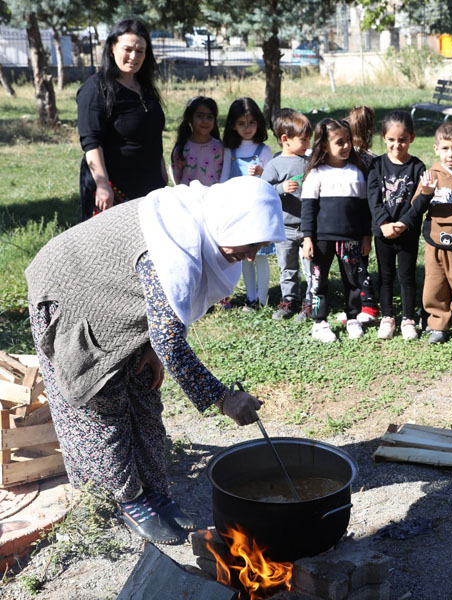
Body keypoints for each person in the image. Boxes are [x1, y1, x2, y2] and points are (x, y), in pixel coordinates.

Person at [25, 177, 285, 544]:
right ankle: (129, 499)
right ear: (230, 223)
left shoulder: (201, 228)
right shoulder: (171, 241)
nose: (251, 256)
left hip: (116, 294)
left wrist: (151, 346)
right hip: (70, 292)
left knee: (145, 393)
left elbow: (169, 318)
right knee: (106, 407)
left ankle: (154, 490)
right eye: (251, 244)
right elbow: (170, 338)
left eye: (260, 246)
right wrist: (223, 399)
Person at [401, 122, 452, 344]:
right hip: (435, 243)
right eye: (445, 148)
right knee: (434, 286)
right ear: (436, 149)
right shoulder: (430, 175)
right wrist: (426, 193)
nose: (451, 154)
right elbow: (416, 209)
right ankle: (437, 323)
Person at [76, 18, 166, 222]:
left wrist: (161, 173)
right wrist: (102, 184)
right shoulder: (95, 89)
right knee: (111, 249)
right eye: (127, 49)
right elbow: (91, 143)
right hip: (113, 190)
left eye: (140, 51)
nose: (134, 56)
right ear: (112, 47)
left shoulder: (145, 88)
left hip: (148, 187)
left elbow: (152, 133)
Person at [301, 118, 371, 342]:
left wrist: (366, 236)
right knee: (319, 281)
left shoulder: (357, 173)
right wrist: (307, 238)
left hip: (350, 239)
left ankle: (352, 317)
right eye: (339, 142)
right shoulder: (316, 174)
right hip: (321, 240)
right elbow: (308, 210)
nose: (346, 146)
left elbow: (364, 210)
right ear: (323, 145)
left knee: (353, 281)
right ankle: (320, 322)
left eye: (348, 141)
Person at [367, 110, 426, 341]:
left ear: (411, 137)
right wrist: (384, 223)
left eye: (402, 139)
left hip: (407, 232)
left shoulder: (418, 167)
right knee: (386, 275)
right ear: (384, 138)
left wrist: (404, 223)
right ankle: (388, 317)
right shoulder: (376, 165)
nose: (397, 145)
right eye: (391, 140)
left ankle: (408, 319)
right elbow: (373, 197)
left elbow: (422, 200)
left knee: (407, 276)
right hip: (383, 232)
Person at [220, 97, 274, 311]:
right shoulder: (229, 151)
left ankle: (263, 297)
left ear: (259, 123)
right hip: (238, 211)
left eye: (251, 122)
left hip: (258, 212)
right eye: (241, 123)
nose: (247, 128)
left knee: (260, 256)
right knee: (244, 258)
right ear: (233, 125)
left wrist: (261, 174)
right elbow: (224, 179)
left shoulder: (264, 151)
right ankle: (250, 297)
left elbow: (270, 183)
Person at [263, 108, 314, 321]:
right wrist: (281, 188)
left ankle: (312, 301)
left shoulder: (310, 163)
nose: (307, 145)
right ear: (285, 139)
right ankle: (289, 300)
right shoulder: (275, 165)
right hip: (286, 228)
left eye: (309, 140)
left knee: (311, 267)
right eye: (303, 140)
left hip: (309, 227)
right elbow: (263, 191)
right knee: (287, 267)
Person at [345, 105, 380, 326]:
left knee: (356, 264)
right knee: (357, 263)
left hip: (355, 221)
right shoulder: (373, 158)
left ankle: (368, 304)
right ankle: (356, 304)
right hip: (361, 220)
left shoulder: (352, 158)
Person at [170, 96, 223, 186]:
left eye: (210, 117)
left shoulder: (220, 148)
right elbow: (177, 178)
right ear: (190, 118)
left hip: (213, 198)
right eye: (200, 116)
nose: (205, 121)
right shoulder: (182, 149)